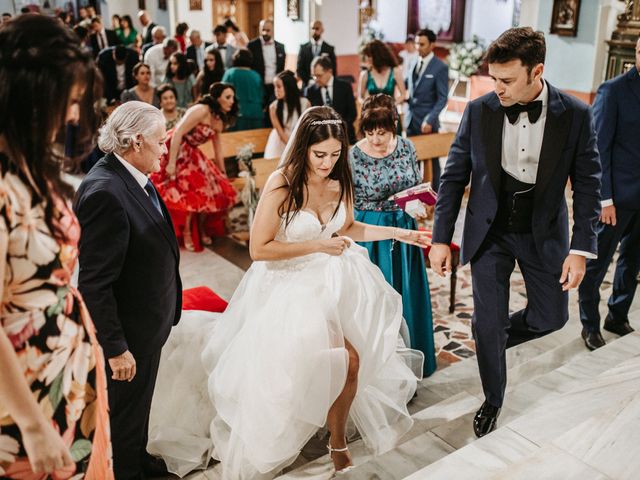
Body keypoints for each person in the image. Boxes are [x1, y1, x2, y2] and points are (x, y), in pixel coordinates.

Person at [147, 106, 427, 478]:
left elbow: (347, 226)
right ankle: (293, 423)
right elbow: (259, 249)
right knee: (301, 369)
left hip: (333, 283)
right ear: (303, 149)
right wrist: (317, 246)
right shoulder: (283, 183)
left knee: (351, 361)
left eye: (335, 154)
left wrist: (401, 233)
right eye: (320, 154)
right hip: (289, 288)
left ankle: (337, 438)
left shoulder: (339, 180)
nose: (328, 162)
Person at [429, 27, 601, 438]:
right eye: (494, 79)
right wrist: (440, 238)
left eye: (506, 81)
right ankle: (493, 397)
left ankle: (492, 337)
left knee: (553, 318)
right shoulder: (479, 110)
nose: (497, 89)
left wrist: (581, 247)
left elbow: (590, 182)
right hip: (490, 230)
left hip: (542, 231)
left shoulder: (575, 115)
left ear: (536, 71)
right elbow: (453, 178)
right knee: (488, 322)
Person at [0, 14, 112, 478]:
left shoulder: (29, 161)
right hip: (26, 399)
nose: (71, 115)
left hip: (66, 375)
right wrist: (32, 425)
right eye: (66, 101)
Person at [75, 101, 182, 480]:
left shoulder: (132, 175)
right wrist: (116, 347)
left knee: (139, 405)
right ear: (136, 142)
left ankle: (136, 457)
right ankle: (125, 472)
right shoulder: (105, 191)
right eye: (160, 141)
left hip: (147, 323)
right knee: (123, 411)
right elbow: (94, 282)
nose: (165, 149)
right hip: (128, 331)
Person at [350, 94, 436, 375]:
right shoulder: (353, 155)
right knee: (377, 298)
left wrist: (420, 206)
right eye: (370, 132)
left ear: (393, 126)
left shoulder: (407, 147)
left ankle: (412, 364)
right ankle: (381, 369)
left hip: (405, 229)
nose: (376, 139)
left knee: (406, 292)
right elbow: (348, 201)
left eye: (382, 132)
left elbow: (415, 184)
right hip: (371, 232)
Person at [578, 36, 640, 351]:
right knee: (597, 263)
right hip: (615, 200)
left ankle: (617, 314)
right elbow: (598, 148)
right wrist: (605, 199)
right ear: (636, 51)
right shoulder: (614, 91)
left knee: (632, 262)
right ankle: (589, 324)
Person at [150, 82, 238, 250]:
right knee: (187, 189)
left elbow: (218, 149)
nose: (232, 101)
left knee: (211, 188)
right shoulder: (201, 110)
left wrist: (222, 172)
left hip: (191, 151)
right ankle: (187, 232)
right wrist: (171, 163)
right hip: (174, 148)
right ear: (217, 98)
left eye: (233, 97)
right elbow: (177, 133)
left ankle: (202, 228)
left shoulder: (219, 119)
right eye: (228, 97)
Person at [406, 28, 449, 191]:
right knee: (412, 160)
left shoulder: (440, 67)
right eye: (416, 43)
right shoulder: (412, 62)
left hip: (427, 122)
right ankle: (413, 195)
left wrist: (430, 119)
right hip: (410, 120)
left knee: (432, 161)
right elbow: (410, 88)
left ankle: (435, 195)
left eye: (422, 44)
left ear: (432, 45)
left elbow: (443, 97)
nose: (418, 47)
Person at [306, 54, 357, 143]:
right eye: (313, 76)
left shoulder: (345, 86)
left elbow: (352, 114)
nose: (315, 79)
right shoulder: (310, 90)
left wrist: (338, 129)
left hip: (346, 134)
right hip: (321, 137)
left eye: (319, 75)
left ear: (329, 72)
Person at [265, 70, 311, 158]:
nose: (276, 90)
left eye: (279, 87)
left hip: (301, 139)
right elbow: (280, 132)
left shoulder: (305, 103)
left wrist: (301, 146)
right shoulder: (273, 107)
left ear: (288, 87)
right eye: (274, 87)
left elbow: (307, 127)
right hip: (281, 141)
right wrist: (293, 148)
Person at [247, 19, 286, 110]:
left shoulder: (280, 47)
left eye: (268, 30)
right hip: (258, 85)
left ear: (272, 30)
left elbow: (281, 68)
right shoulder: (251, 45)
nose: (265, 32)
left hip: (274, 86)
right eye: (263, 30)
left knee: (274, 109)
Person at [222, 48, 264, 130]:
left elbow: (222, 93)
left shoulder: (230, 73)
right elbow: (262, 94)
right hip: (256, 114)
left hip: (237, 113)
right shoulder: (256, 75)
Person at [358, 39, 407, 108]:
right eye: (367, 56)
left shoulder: (395, 71)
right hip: (373, 114)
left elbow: (403, 94)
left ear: (378, 56)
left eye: (369, 56)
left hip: (390, 114)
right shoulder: (365, 74)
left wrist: (392, 105)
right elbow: (360, 97)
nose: (367, 59)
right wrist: (368, 106)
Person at [296, 20, 336, 88]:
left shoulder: (329, 49)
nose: (314, 31)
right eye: (312, 28)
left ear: (322, 30)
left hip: (324, 84)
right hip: (307, 84)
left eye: (317, 28)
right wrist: (309, 81)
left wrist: (326, 81)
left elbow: (333, 69)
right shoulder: (303, 48)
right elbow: (299, 69)